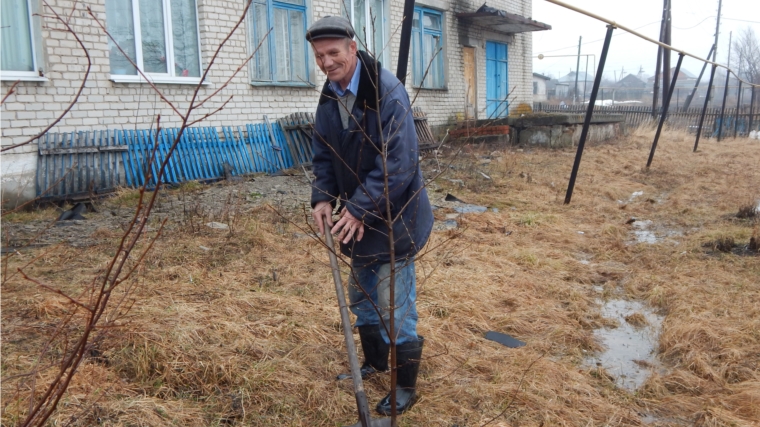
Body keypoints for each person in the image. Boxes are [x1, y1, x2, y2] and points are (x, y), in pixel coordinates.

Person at [306, 16, 433, 416]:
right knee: (362, 294)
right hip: (359, 215)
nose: (327, 62)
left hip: (396, 214)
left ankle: (404, 386)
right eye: (319, 56)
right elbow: (325, 152)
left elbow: (398, 164)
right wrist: (323, 198)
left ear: (352, 50)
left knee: (394, 304)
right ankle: (376, 361)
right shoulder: (330, 95)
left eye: (333, 53)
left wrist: (359, 209)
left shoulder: (387, 94)